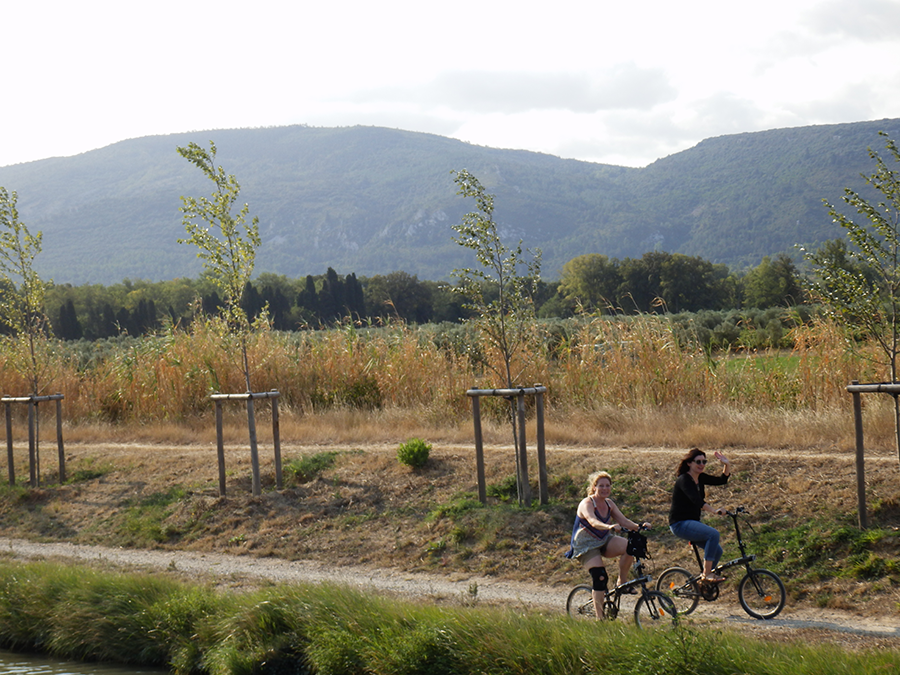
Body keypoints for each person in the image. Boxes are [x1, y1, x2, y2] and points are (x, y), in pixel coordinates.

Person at [566, 470, 651, 618]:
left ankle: (621, 582)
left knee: (631, 546)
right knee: (600, 577)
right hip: (585, 545)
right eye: (601, 486)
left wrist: (639, 526)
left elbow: (624, 521)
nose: (605, 489)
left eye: (607, 485)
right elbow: (593, 521)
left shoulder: (609, 503)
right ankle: (600, 619)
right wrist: (609, 527)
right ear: (594, 487)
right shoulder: (587, 503)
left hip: (603, 540)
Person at [668, 447, 732, 583]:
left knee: (717, 551)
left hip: (692, 523)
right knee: (713, 534)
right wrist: (714, 510)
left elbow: (722, 480)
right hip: (679, 523)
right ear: (689, 463)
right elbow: (696, 501)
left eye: (704, 462)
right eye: (698, 462)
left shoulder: (700, 478)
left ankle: (703, 582)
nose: (702, 465)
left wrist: (727, 464)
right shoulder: (684, 479)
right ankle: (707, 574)